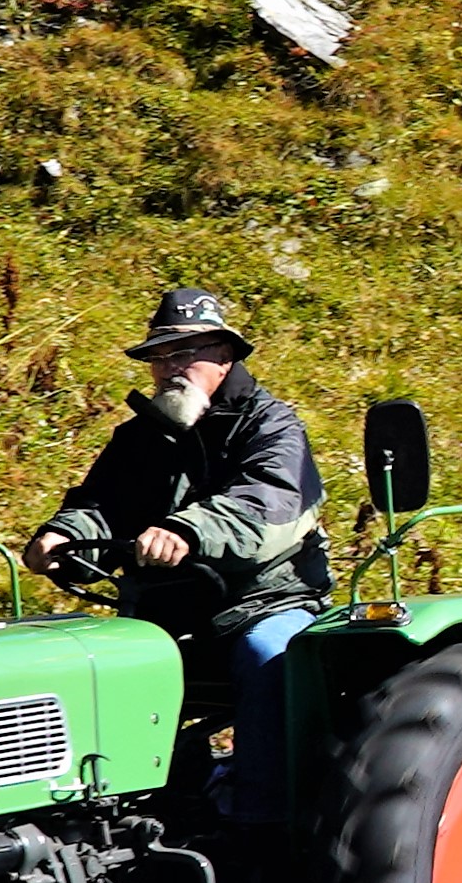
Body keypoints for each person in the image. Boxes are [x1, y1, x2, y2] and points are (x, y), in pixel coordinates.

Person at [29, 289, 329, 840]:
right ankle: (107, 819)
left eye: (185, 354)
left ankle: (262, 823)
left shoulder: (272, 426)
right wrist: (62, 535)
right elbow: (102, 504)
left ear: (223, 356)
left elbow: (266, 507)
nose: (170, 369)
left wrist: (187, 531)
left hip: (263, 601)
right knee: (87, 665)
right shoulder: (139, 437)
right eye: (161, 358)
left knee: (271, 658)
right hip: (163, 610)